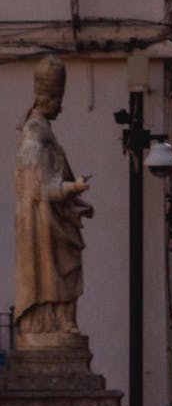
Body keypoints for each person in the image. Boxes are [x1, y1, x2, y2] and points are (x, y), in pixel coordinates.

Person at [14, 55, 93, 343]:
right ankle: (51, 322)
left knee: (66, 270)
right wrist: (74, 189)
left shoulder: (45, 132)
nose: (61, 105)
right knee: (56, 271)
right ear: (49, 99)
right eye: (59, 98)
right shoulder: (34, 135)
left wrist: (79, 203)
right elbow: (41, 187)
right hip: (42, 223)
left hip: (54, 217)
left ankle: (62, 320)